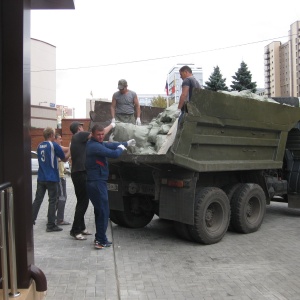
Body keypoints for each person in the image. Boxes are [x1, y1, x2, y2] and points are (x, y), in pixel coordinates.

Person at [85, 124, 136, 249]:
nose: (101, 136)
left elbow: (110, 145)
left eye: (103, 134)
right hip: (96, 182)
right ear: (92, 134)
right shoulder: (94, 146)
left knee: (100, 211)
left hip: (97, 181)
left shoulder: (98, 143)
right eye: (98, 134)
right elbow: (113, 154)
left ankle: (99, 238)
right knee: (103, 211)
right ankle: (101, 240)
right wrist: (121, 147)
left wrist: (125, 143)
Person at [69, 121, 115, 240]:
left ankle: (82, 227)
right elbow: (98, 133)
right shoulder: (79, 135)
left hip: (78, 172)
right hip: (80, 173)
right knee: (83, 202)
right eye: (82, 127)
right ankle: (75, 230)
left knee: (83, 201)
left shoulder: (76, 140)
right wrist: (112, 125)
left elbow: (66, 157)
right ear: (79, 128)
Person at [32, 127, 69, 232]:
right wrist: (70, 150)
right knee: (52, 200)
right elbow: (64, 158)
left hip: (41, 177)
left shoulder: (39, 146)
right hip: (52, 177)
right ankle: (51, 225)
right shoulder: (53, 145)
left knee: (38, 199)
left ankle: (30, 220)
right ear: (52, 135)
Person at [54, 133, 71, 225]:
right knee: (62, 197)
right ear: (55, 139)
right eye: (59, 139)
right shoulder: (57, 147)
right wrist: (73, 145)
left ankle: (52, 216)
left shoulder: (54, 148)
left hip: (60, 175)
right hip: (60, 177)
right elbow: (67, 149)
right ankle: (60, 219)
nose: (61, 140)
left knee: (57, 198)